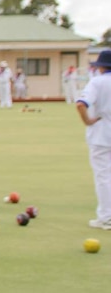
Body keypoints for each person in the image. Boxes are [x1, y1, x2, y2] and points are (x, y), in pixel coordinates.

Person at [75, 50, 111, 230]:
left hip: (101, 136)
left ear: (101, 66)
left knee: (103, 176)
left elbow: (81, 104)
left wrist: (88, 121)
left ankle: (106, 217)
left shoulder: (97, 82)